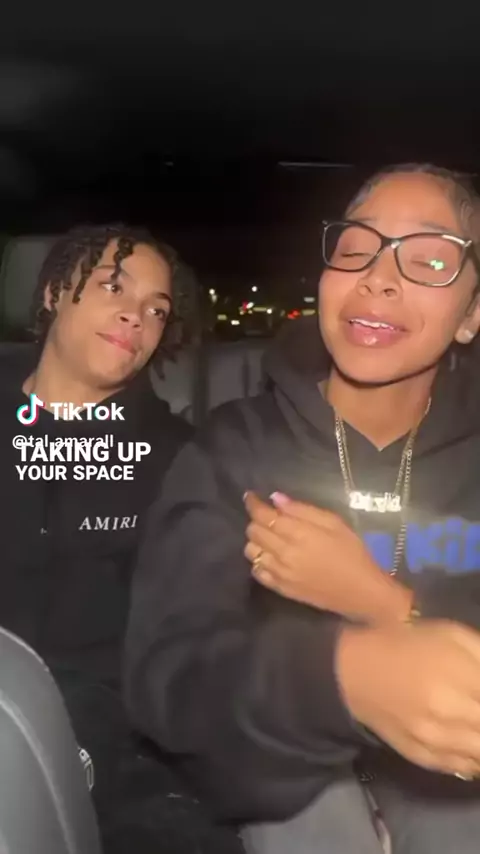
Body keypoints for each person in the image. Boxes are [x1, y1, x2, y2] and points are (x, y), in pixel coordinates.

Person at [125, 164, 480, 854]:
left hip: (450, 782)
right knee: (302, 809)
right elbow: (168, 679)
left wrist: (381, 605)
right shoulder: (236, 447)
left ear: (470, 316)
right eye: (355, 248)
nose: (378, 277)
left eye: (429, 260)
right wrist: (340, 677)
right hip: (282, 772)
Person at [0, 223, 202, 852]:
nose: (136, 316)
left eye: (157, 310)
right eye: (115, 287)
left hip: (111, 741)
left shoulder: (180, 461)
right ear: (55, 292)